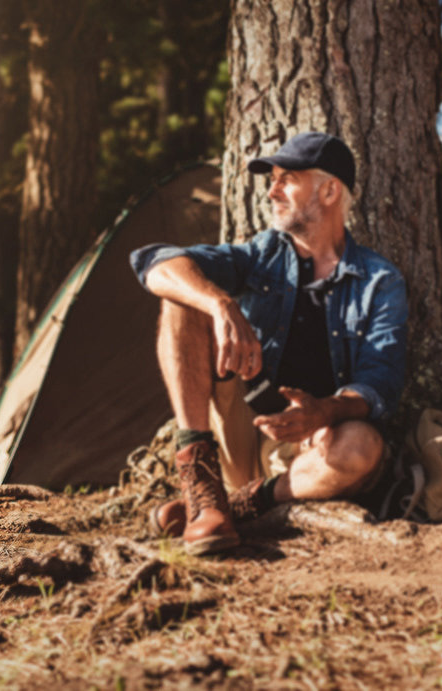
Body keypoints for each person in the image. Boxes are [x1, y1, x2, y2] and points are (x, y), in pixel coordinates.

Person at [129, 132, 408, 555]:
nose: (272, 191)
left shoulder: (379, 281)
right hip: (242, 428)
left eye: (287, 179)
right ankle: (201, 481)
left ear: (330, 190)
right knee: (181, 297)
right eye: (271, 179)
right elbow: (155, 263)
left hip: (313, 451)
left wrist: (323, 412)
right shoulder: (263, 255)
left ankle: (237, 506)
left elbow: (380, 383)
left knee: (363, 446)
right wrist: (220, 303)